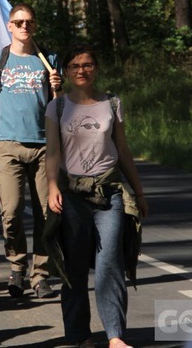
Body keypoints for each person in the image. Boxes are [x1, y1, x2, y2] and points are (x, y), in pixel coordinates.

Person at [45, 44, 148, 348]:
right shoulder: (57, 107)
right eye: (75, 66)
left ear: (96, 68)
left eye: (88, 65)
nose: (82, 70)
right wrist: (52, 186)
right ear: (66, 72)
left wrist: (138, 192)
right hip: (72, 194)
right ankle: (81, 337)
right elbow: (52, 152)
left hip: (110, 192)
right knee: (74, 266)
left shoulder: (112, 103)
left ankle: (115, 336)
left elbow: (124, 151)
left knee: (110, 263)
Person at [0, 2, 63, 298]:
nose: (24, 26)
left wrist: (57, 87)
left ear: (34, 26)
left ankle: (40, 275)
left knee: (45, 213)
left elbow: (60, 106)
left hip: (44, 146)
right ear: (10, 26)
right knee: (11, 211)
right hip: (7, 145)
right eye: (19, 22)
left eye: (29, 22)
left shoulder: (49, 60)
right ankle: (16, 265)